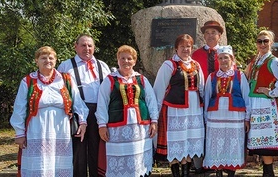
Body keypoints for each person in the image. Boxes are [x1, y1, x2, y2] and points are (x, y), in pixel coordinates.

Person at [10, 46, 89, 176]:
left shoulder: (66, 79)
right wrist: (20, 133)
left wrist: (83, 121)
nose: (48, 60)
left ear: (56, 60)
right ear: (36, 61)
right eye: (43, 58)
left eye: (51, 57)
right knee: (39, 164)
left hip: (61, 130)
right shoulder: (28, 81)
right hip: (36, 130)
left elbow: (78, 102)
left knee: (60, 165)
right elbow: (19, 108)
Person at [95, 45, 158, 176]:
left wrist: (154, 121)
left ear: (134, 61)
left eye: (129, 58)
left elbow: (151, 101)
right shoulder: (110, 80)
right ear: (118, 60)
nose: (126, 61)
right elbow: (102, 103)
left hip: (140, 128)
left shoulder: (141, 79)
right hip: (117, 129)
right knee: (120, 160)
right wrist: (102, 125)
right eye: (122, 58)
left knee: (138, 159)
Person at [58, 34, 111, 177]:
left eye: (89, 45)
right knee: (78, 152)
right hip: (76, 113)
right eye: (83, 45)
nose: (86, 48)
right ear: (75, 47)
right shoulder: (65, 66)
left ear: (94, 47)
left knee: (97, 150)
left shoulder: (103, 66)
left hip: (98, 112)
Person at [154, 34, 205, 177]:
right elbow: (159, 89)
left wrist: (204, 108)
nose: (185, 49)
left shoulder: (196, 65)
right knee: (176, 142)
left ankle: (186, 174)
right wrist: (155, 115)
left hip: (194, 109)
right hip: (175, 110)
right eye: (182, 46)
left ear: (192, 48)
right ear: (176, 48)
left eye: (188, 46)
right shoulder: (169, 65)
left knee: (189, 141)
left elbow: (202, 88)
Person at [245, 30, 278, 177]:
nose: (263, 44)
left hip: (265, 104)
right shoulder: (255, 60)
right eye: (259, 41)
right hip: (253, 103)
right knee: (257, 138)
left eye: (266, 41)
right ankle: (266, 170)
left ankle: (268, 171)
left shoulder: (274, 61)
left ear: (271, 43)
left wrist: (271, 92)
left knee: (267, 139)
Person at [203, 45, 250, 177]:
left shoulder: (239, 76)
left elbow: (246, 97)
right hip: (215, 115)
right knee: (216, 141)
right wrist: (205, 117)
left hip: (235, 116)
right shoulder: (212, 77)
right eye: (221, 58)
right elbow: (207, 97)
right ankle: (218, 170)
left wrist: (247, 118)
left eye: (226, 58)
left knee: (233, 141)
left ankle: (231, 170)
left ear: (232, 59)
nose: (223, 60)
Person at [191, 20, 223, 174]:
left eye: (214, 33)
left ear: (219, 35)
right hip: (200, 97)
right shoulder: (196, 54)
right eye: (207, 33)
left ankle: (217, 161)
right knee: (199, 129)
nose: (210, 36)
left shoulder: (224, 54)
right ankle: (198, 163)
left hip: (219, 99)